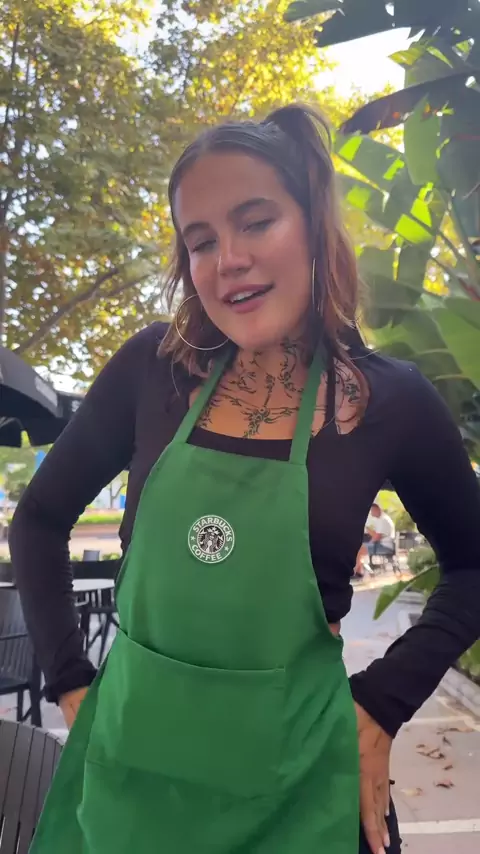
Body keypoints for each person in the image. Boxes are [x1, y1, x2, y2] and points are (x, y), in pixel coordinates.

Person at [9, 103, 480, 854]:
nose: (227, 258)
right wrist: (69, 678)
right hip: (131, 783)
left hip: (302, 788)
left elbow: (473, 562)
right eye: (201, 241)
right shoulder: (150, 370)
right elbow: (37, 520)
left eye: (255, 222)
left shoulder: (389, 402)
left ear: (314, 228)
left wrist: (383, 703)